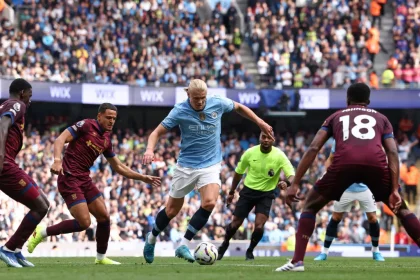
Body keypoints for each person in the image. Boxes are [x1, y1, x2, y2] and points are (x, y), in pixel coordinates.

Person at [275, 83, 420, 272]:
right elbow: (392, 151)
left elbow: (313, 148)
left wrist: (294, 184)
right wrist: (394, 190)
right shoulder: (382, 119)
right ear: (368, 101)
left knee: (310, 206)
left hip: (344, 164)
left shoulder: (335, 117)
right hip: (376, 165)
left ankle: (297, 262)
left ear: (347, 99)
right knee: (403, 211)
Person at [142, 79, 274, 263]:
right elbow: (156, 132)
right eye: (196, 99)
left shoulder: (217, 102)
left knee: (210, 202)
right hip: (186, 165)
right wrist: (149, 149)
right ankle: (152, 238)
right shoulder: (180, 110)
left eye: (203, 98)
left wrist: (259, 122)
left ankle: (183, 244)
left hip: (210, 164)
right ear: (188, 95)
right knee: (171, 210)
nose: (200, 102)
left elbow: (239, 107)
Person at [27, 103, 161, 265]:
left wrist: (142, 177)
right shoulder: (86, 125)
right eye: (108, 117)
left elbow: (118, 166)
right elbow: (60, 139)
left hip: (84, 179)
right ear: (99, 116)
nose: (111, 121)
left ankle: (100, 258)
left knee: (104, 217)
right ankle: (42, 232)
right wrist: (57, 160)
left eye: (114, 119)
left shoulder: (106, 140)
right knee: (84, 223)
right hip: (69, 178)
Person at [217, 131, 295, 260]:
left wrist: (286, 183)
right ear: (259, 138)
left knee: (259, 226)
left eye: (268, 138)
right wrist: (231, 192)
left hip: (266, 194)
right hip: (248, 191)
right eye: (263, 137)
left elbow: (292, 175)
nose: (265, 140)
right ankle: (225, 243)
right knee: (235, 224)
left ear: (273, 140)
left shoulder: (279, 155)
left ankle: (250, 250)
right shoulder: (250, 152)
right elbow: (238, 173)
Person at [0, 79, 50, 268]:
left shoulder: (9, 104)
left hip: (10, 163)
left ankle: (15, 249)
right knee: (39, 206)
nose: (30, 100)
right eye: (29, 95)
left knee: (44, 204)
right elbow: (2, 126)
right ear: (22, 93)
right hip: (5, 165)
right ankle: (8, 249)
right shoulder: (17, 105)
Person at [314, 140, 384, 262]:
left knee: (372, 218)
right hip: (345, 187)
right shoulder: (340, 140)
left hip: (365, 187)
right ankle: (324, 252)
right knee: (335, 217)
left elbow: (379, 160)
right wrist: (326, 176)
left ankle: (376, 251)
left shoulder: (369, 140)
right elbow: (330, 159)